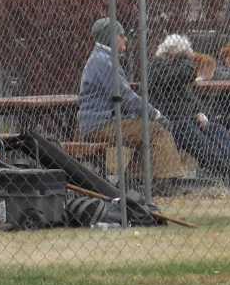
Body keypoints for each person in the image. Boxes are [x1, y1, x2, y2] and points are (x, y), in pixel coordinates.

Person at [77, 18, 182, 181]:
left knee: (146, 131)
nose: (125, 39)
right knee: (156, 130)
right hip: (101, 125)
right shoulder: (103, 61)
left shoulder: (102, 58)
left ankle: (134, 182)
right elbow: (126, 97)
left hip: (100, 122)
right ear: (111, 37)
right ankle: (170, 180)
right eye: (121, 35)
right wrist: (155, 114)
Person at [148, 34, 230, 183]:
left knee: (214, 127)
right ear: (173, 53)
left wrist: (199, 112)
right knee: (189, 129)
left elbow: (188, 97)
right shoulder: (158, 67)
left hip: (184, 117)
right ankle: (227, 167)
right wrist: (186, 58)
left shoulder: (176, 70)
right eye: (183, 55)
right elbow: (185, 74)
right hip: (168, 120)